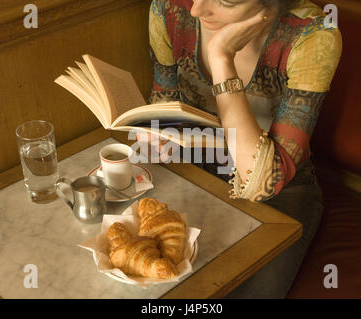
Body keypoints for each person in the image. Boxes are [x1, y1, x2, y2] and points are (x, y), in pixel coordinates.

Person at [137, 0, 342, 298]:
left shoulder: (313, 34)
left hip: (279, 189)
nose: (197, 10)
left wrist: (221, 59)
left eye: (226, 2)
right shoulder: (171, 8)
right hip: (192, 165)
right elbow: (164, 100)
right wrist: (158, 131)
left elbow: (263, 183)